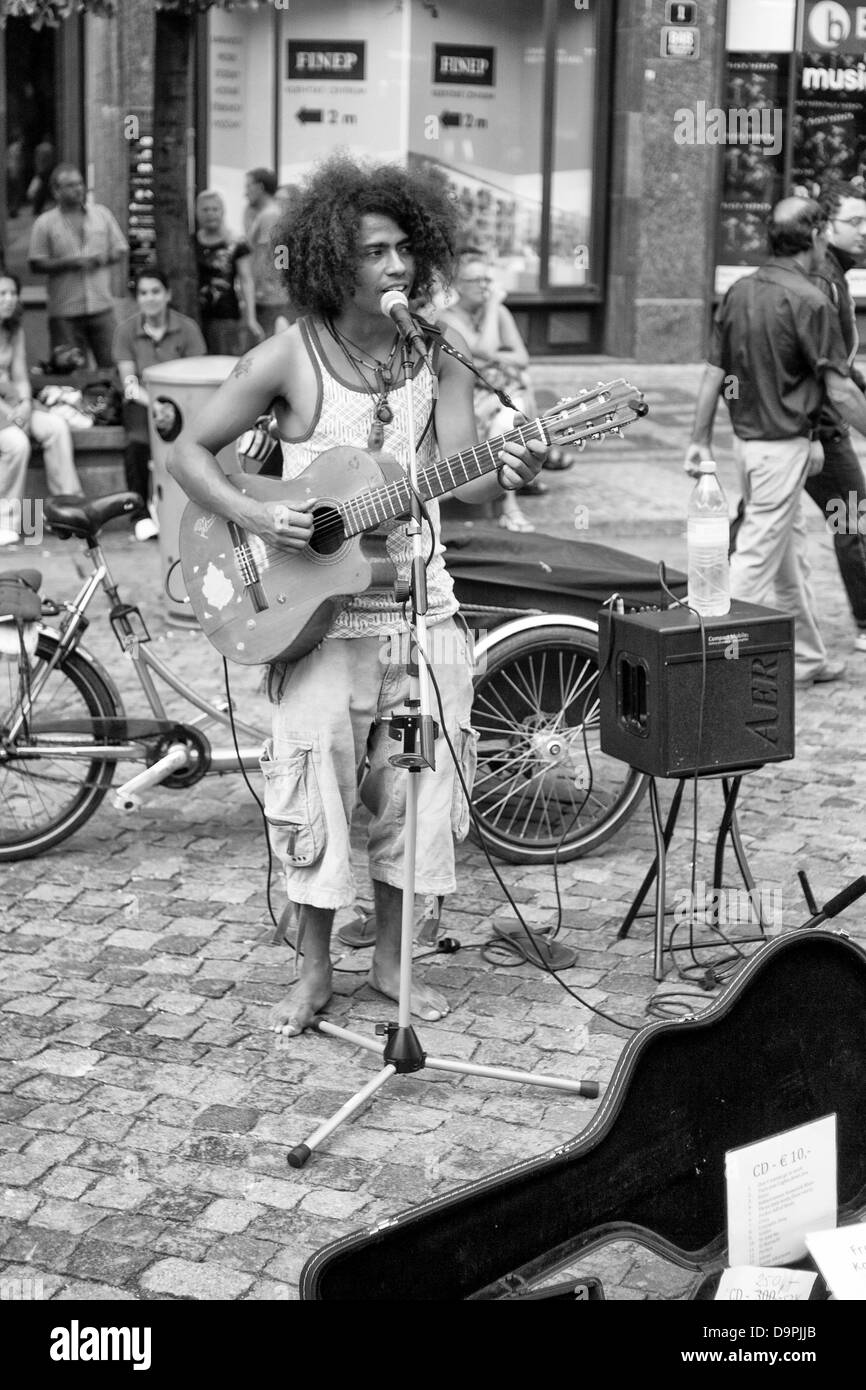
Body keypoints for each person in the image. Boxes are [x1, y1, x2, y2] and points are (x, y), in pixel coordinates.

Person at [168, 155, 548, 1036]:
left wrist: (515, 459)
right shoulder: (287, 359)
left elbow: (469, 480)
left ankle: (389, 957)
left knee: (411, 793)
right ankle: (311, 968)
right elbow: (190, 452)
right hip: (313, 622)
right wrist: (260, 517)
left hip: (423, 609)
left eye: (405, 250)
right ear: (334, 260)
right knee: (316, 783)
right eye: (375, 252)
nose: (398, 268)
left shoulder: (438, 356)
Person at [686, 196, 866, 684]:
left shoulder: (741, 290)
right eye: (826, 233)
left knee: (789, 559)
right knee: (753, 563)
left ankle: (807, 658)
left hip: (749, 447)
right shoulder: (811, 299)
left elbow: (713, 372)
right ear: (813, 238)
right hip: (783, 448)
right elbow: (841, 390)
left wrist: (699, 439)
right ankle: (700, 669)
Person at [436, 248, 542, 531]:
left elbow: (521, 358)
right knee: (508, 416)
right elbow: (482, 349)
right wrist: (495, 306)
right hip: (466, 398)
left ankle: (512, 499)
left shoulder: (500, 313)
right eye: (476, 280)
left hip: (499, 394)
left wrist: (492, 354)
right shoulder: (447, 318)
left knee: (512, 408)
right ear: (458, 285)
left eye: (487, 279)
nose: (485, 286)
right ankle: (510, 506)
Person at [807, 182, 866, 655]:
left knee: (762, 524)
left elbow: (842, 364)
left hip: (799, 428)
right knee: (855, 521)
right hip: (820, 429)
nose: (864, 232)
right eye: (855, 222)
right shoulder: (824, 280)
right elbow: (835, 383)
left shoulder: (833, 273)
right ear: (825, 226)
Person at [112, 265, 206, 541]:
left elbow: (197, 374)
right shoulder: (125, 331)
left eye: (155, 291)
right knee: (137, 442)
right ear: (137, 298)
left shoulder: (187, 328)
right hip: (141, 401)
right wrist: (154, 405)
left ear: (167, 295)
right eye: (143, 293)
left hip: (184, 403)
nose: (149, 298)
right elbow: (129, 384)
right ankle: (139, 515)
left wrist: (173, 407)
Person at [0, 271, 81, 546]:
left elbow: (20, 376)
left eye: (12, 293)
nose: (9, 299)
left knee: (56, 427)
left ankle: (69, 509)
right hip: (3, 411)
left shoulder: (14, 329)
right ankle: (6, 522)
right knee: (17, 443)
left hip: (14, 404)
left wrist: (23, 404)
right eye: (2, 294)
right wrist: (12, 413)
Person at [27, 164, 128, 367]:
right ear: (56, 191)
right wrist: (70, 263)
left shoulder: (102, 214)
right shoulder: (44, 223)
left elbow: (121, 248)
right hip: (65, 311)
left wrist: (104, 259)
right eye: (71, 185)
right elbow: (36, 263)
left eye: (80, 184)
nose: (78, 189)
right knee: (70, 374)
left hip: (101, 306)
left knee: (114, 368)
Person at [193, 190, 260, 355]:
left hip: (225, 316)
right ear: (197, 212)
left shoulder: (236, 243)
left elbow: (246, 280)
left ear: (222, 211)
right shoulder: (191, 242)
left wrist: (250, 318)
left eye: (215, 209)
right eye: (205, 209)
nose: (210, 214)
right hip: (194, 314)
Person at [243, 168, 291, 338]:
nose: (245, 191)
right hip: (273, 295)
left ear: (259, 187)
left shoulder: (270, 215)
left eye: (248, 186)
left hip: (269, 299)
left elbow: (275, 253)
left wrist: (268, 286)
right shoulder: (269, 214)